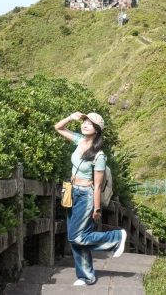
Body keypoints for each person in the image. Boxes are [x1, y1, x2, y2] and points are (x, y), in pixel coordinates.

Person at [54, 111, 127, 286]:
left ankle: (116, 237)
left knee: (77, 237)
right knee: (77, 237)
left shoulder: (99, 155)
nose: (85, 124)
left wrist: (96, 209)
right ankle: (86, 276)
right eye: (85, 121)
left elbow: (98, 186)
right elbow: (58, 127)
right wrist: (72, 117)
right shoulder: (79, 140)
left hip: (86, 195)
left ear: (97, 130)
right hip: (72, 192)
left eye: (90, 123)